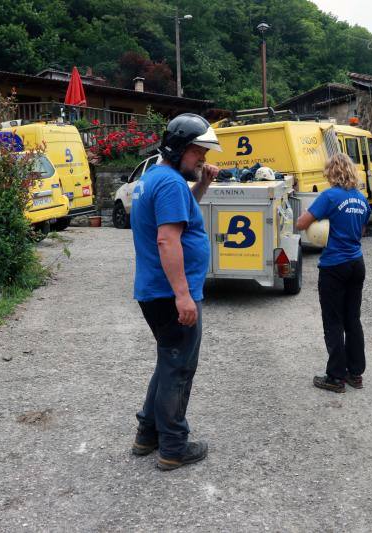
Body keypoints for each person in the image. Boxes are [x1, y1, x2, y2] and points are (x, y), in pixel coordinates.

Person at [129, 113, 221, 470]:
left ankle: (147, 434)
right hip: (169, 295)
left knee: (168, 363)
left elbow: (181, 215)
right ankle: (173, 447)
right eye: (198, 153)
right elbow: (167, 238)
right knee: (179, 368)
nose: (202, 160)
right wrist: (183, 295)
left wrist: (202, 185)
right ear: (180, 148)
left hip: (156, 292)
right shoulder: (168, 183)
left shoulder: (158, 178)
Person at [296, 153, 371, 393]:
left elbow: (301, 223)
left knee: (333, 321)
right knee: (352, 319)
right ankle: (355, 374)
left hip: (334, 266)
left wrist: (322, 221)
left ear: (332, 172)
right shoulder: (361, 199)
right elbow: (359, 232)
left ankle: (336, 377)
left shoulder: (329, 196)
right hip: (356, 263)